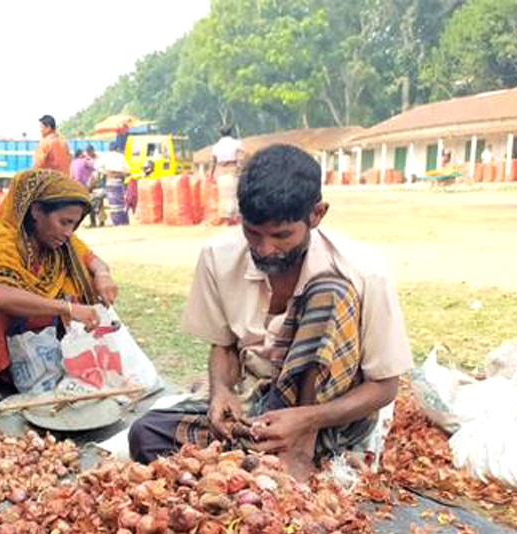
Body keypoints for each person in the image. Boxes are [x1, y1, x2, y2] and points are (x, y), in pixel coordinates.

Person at [127, 144, 412, 480]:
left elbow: (385, 388)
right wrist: (221, 391)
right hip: (258, 411)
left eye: (281, 235)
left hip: (326, 421)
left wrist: (307, 418)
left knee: (329, 292)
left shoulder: (363, 271)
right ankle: (259, 466)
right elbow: (223, 346)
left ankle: (298, 457)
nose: (265, 249)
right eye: (253, 232)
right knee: (146, 434)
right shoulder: (218, 256)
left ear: (317, 214)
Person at [0, 169, 118, 402]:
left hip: (35, 333)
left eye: (74, 224)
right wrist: (67, 309)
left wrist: (102, 275)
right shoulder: (2, 237)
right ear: (36, 210)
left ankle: (48, 365)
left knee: (82, 278)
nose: (68, 232)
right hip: (0, 332)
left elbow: (93, 261)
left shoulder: (62, 241)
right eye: (64, 222)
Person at [211, 126, 243, 225]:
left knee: (223, 196)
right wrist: (240, 168)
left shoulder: (216, 146)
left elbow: (214, 161)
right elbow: (240, 157)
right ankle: (236, 218)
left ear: (220, 134)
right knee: (234, 195)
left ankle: (226, 220)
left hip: (221, 172)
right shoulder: (236, 143)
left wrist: (212, 173)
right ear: (230, 133)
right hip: (233, 170)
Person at [102, 143, 130, 226]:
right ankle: (122, 221)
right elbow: (127, 170)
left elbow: (96, 166)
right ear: (117, 149)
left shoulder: (105, 156)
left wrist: (106, 172)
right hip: (118, 181)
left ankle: (115, 221)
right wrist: (121, 173)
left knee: (112, 203)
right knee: (120, 203)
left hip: (109, 181)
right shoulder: (121, 156)